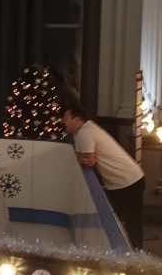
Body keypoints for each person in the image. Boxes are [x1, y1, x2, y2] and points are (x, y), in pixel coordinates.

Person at [62, 104, 146, 249]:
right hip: (124, 180)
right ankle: (125, 251)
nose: (63, 121)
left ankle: (135, 254)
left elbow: (89, 160)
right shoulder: (84, 130)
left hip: (127, 181)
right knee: (115, 218)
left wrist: (72, 157)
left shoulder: (85, 132)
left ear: (77, 120)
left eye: (66, 118)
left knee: (127, 220)